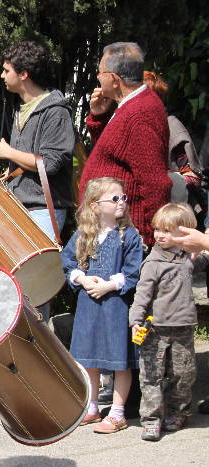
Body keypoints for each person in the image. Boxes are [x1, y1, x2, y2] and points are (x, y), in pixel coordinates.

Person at [61, 177, 143, 434]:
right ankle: (92, 407)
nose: (121, 203)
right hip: (89, 307)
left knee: (121, 361)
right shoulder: (83, 235)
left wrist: (108, 285)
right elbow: (68, 263)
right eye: (114, 198)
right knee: (89, 360)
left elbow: (133, 272)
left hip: (116, 307)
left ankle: (117, 412)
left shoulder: (128, 236)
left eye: (123, 198)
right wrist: (83, 279)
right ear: (95, 206)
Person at [80, 42, 171, 247]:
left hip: (127, 238)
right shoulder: (131, 106)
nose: (97, 76)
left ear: (114, 79)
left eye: (100, 72)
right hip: (114, 234)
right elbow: (113, 153)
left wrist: (149, 239)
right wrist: (99, 116)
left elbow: (154, 182)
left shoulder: (140, 113)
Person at [129, 203, 208, 441]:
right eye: (157, 229)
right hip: (155, 329)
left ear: (184, 233)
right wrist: (136, 319)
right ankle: (152, 420)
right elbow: (142, 294)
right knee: (151, 375)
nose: (160, 235)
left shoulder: (187, 259)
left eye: (167, 230)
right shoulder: (153, 263)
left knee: (184, 374)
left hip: (183, 328)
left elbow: (202, 260)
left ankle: (177, 413)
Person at [0, 41, 74, 239]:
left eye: (6, 70)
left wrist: (9, 153)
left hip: (43, 210)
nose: (2, 76)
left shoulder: (56, 112)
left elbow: (50, 163)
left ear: (23, 74)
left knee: (35, 271)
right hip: (20, 208)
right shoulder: (21, 109)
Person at [144, 71, 206, 228]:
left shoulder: (171, 126)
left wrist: (161, 178)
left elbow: (192, 177)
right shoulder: (141, 129)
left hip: (178, 214)